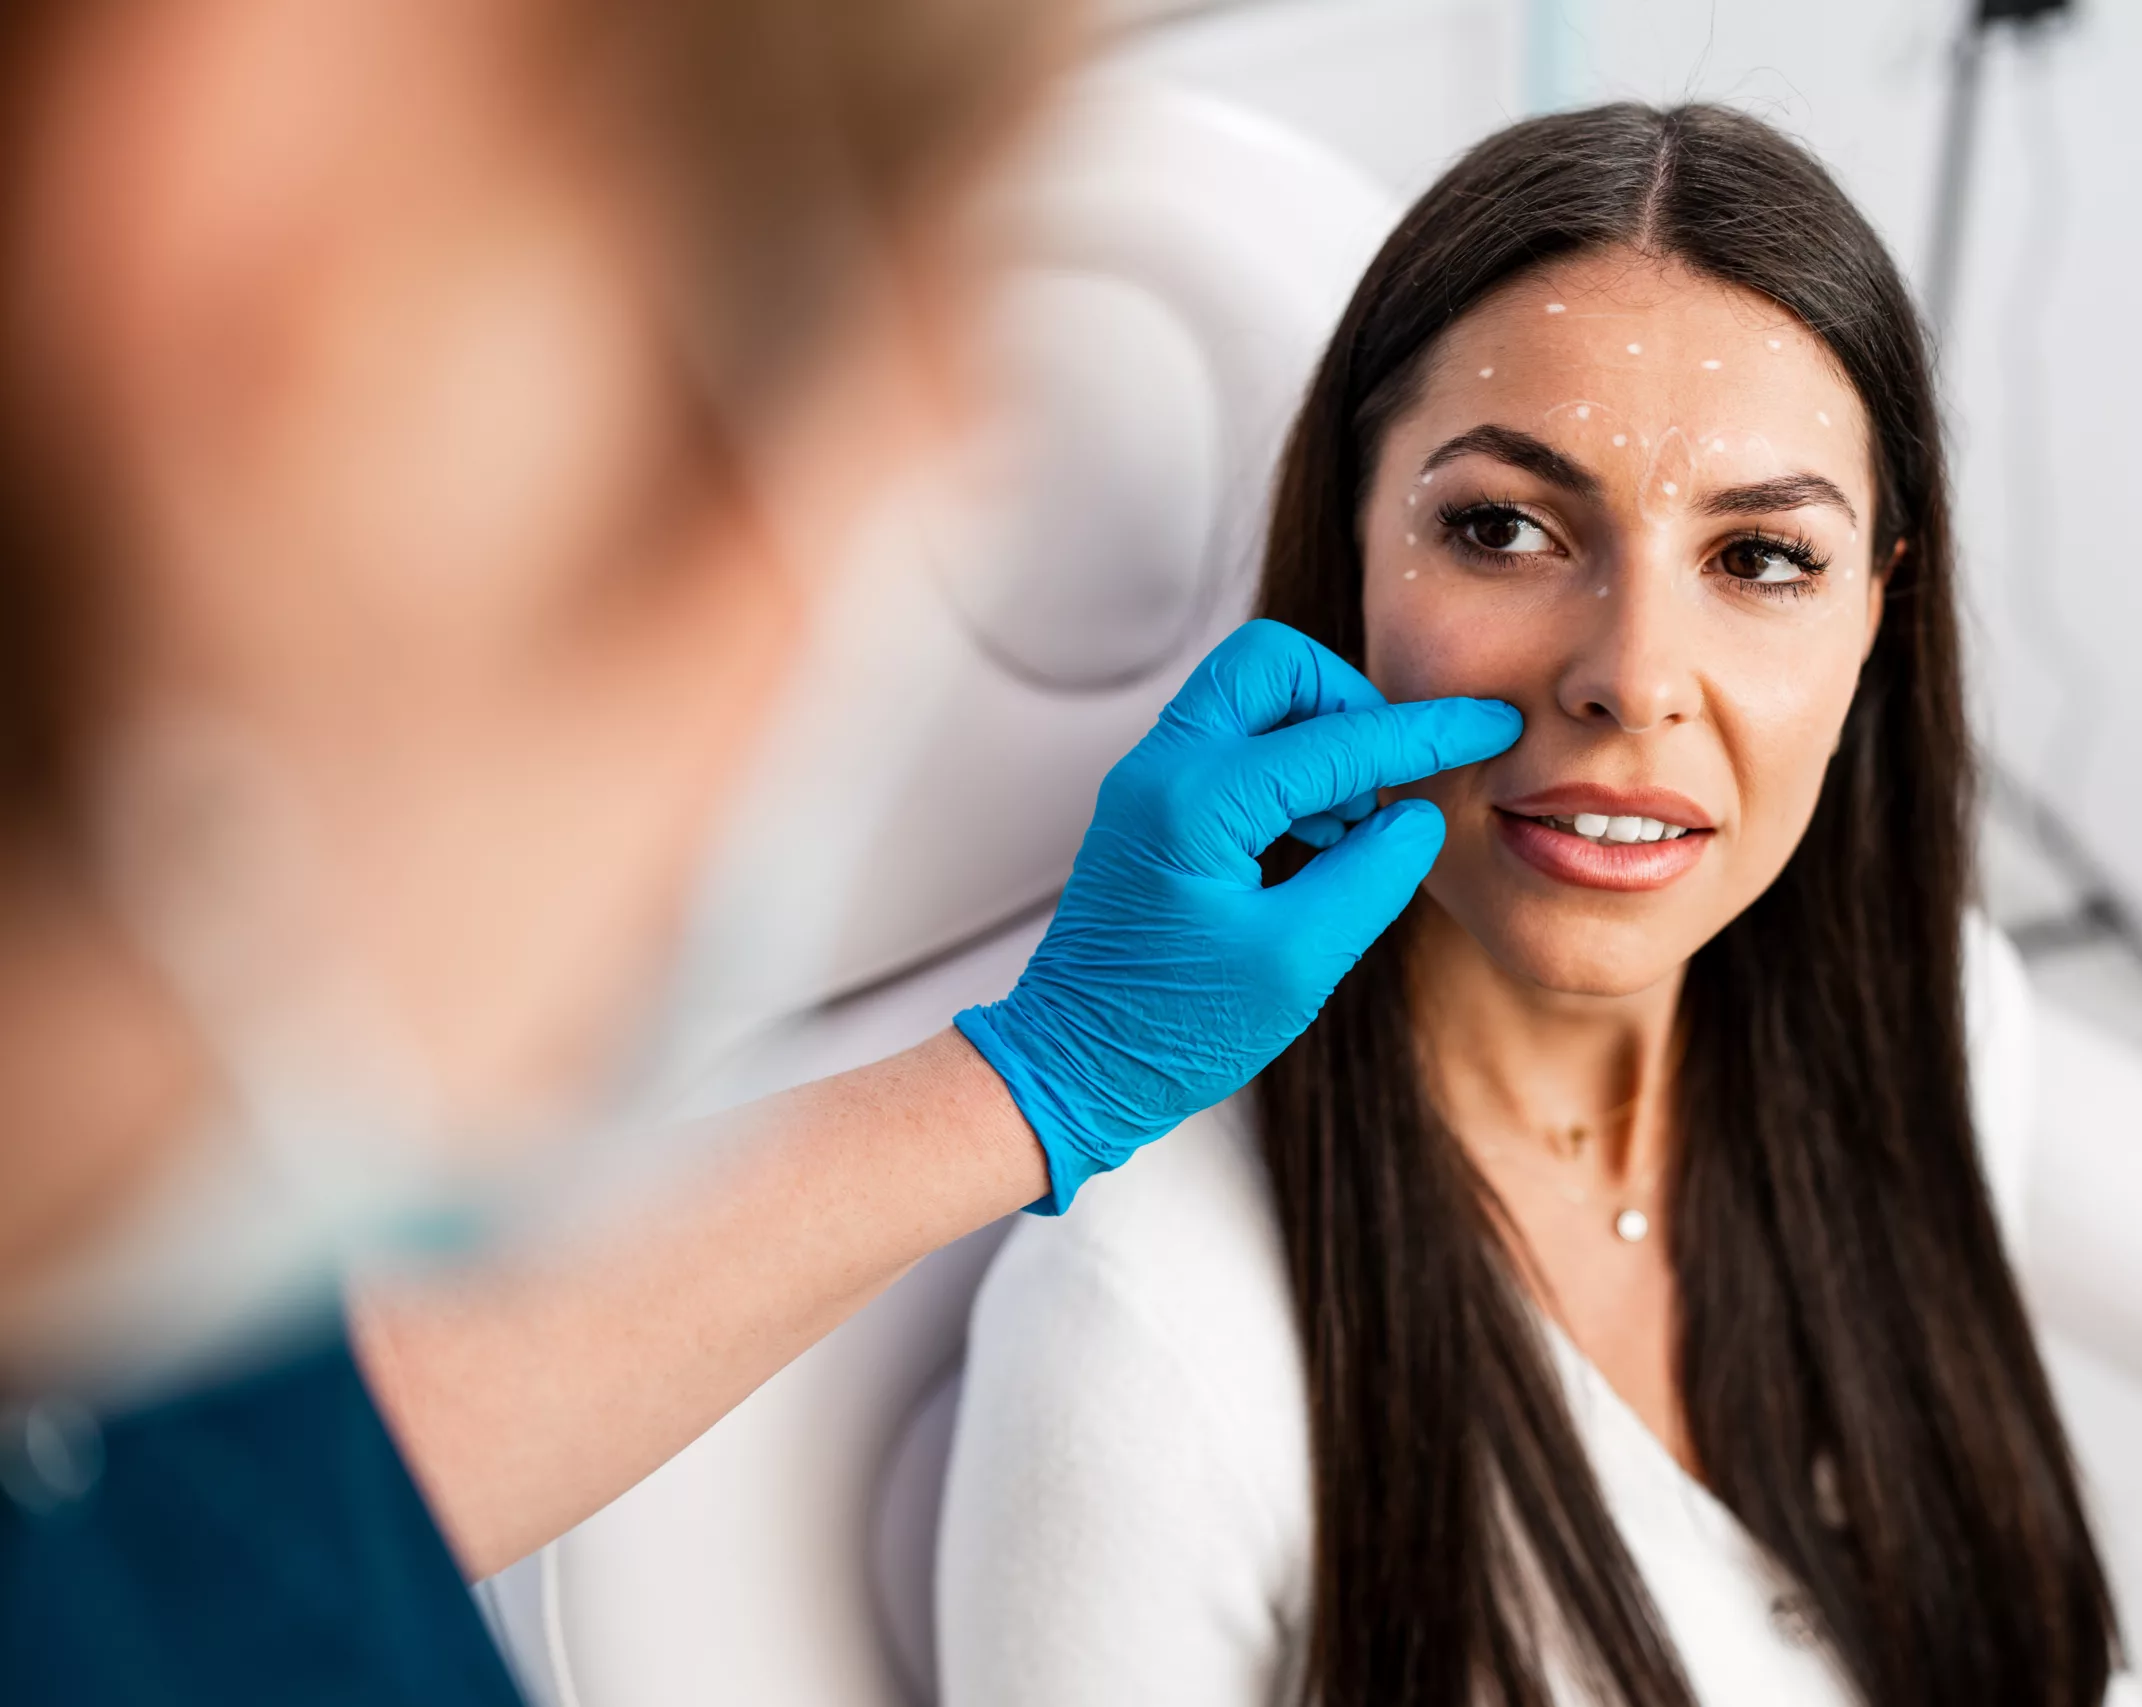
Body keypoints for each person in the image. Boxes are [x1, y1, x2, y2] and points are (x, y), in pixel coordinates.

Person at [0, 0, 1516, 1699]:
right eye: (824, 324)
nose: (931, 467)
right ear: (257, 208)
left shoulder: (130, 1331)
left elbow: (286, 1484)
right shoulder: (1148, 1348)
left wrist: (1035, 1080)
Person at [938, 103, 2142, 1707]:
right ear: (1348, 557)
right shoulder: (1147, 1338)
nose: (1630, 678)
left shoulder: (1942, 1020)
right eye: (1502, 529)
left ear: (1877, 614)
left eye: (1766, 556)